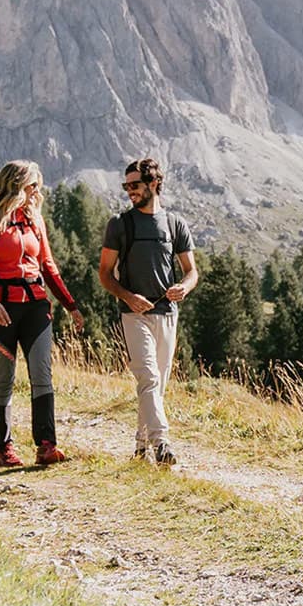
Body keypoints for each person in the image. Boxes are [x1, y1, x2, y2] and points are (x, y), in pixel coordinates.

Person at [0, 160, 84, 467]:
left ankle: (46, 446)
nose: (37, 192)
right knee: (3, 379)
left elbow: (48, 266)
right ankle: (4, 449)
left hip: (35, 306)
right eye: (33, 186)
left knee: (42, 375)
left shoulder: (35, 220)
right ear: (16, 186)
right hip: (0, 308)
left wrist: (70, 305)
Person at [98, 157, 197, 465]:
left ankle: (141, 448)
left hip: (167, 313)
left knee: (157, 385)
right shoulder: (119, 224)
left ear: (154, 183)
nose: (130, 190)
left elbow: (191, 271)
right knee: (148, 377)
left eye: (135, 185)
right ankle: (162, 444)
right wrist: (128, 297)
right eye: (126, 185)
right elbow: (105, 274)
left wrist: (184, 287)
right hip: (134, 315)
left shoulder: (175, 223)